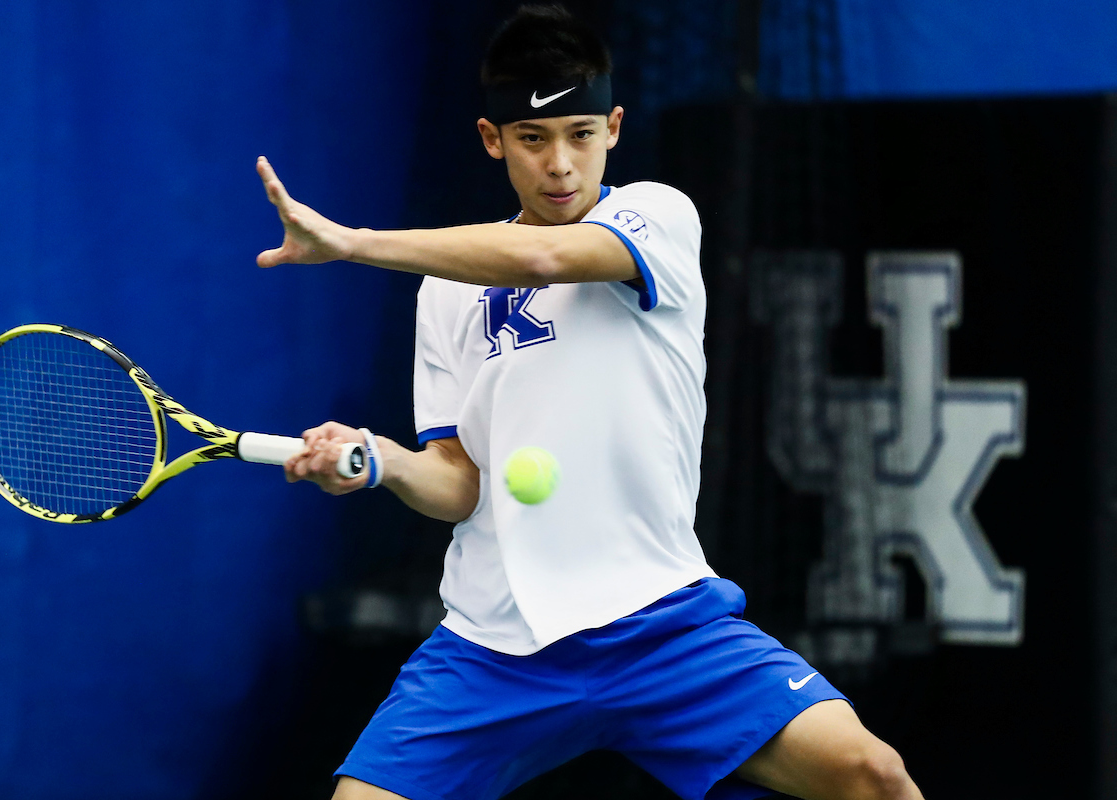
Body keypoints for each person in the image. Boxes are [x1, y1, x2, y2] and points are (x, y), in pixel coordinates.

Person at [256, 5, 924, 800]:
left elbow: (540, 255)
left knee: (870, 774)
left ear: (613, 126)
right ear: (491, 138)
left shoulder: (658, 217)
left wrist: (353, 243)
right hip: (492, 643)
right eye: (533, 140)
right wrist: (381, 464)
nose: (561, 165)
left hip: (662, 625)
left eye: (580, 133)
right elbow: (459, 481)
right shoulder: (443, 292)